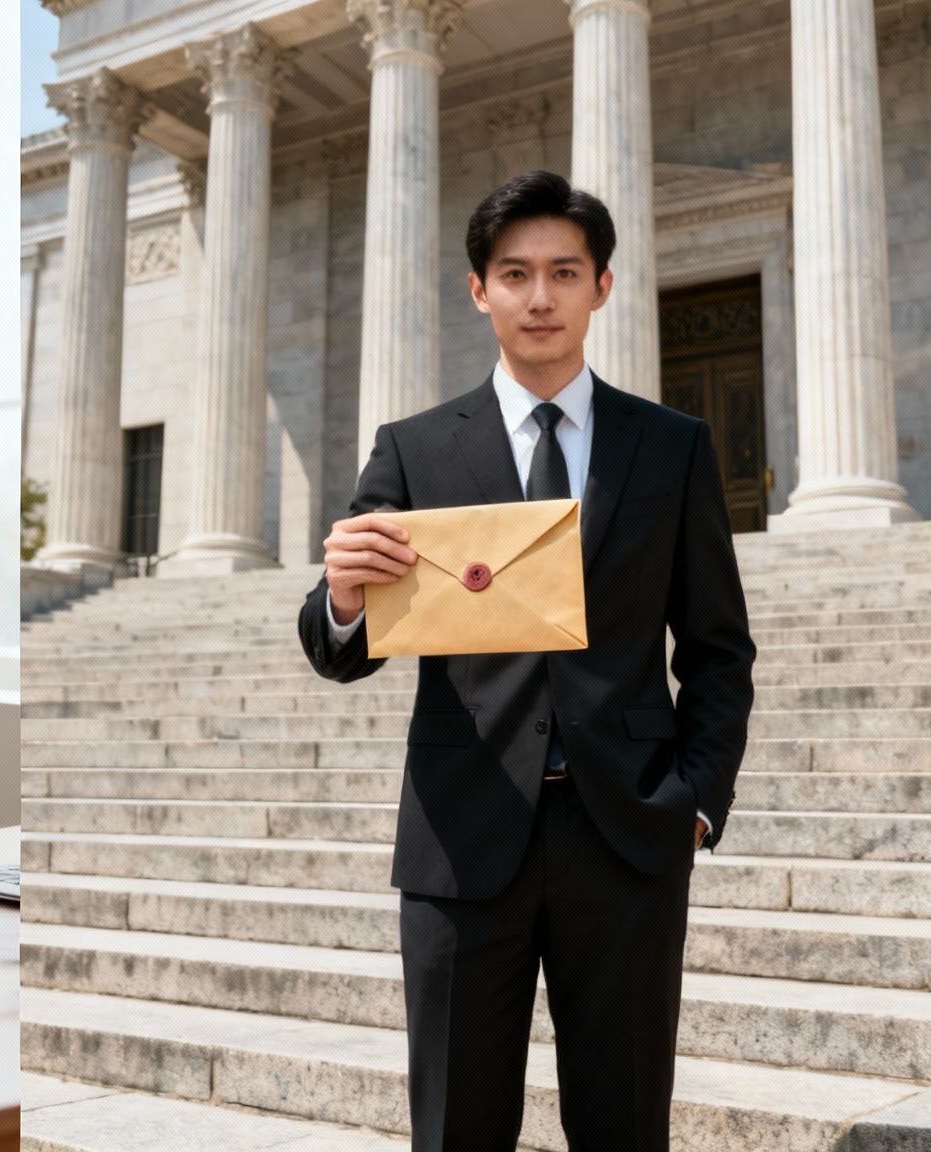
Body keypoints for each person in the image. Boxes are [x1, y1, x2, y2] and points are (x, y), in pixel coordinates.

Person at [296, 170, 755, 1151]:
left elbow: (717, 648)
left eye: (562, 271)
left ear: (601, 286)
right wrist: (340, 600)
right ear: (477, 290)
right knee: (455, 1128)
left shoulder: (671, 447)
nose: (538, 297)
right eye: (514, 274)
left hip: (628, 834)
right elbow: (341, 654)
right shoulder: (412, 449)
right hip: (462, 840)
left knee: (623, 1125)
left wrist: (697, 804)